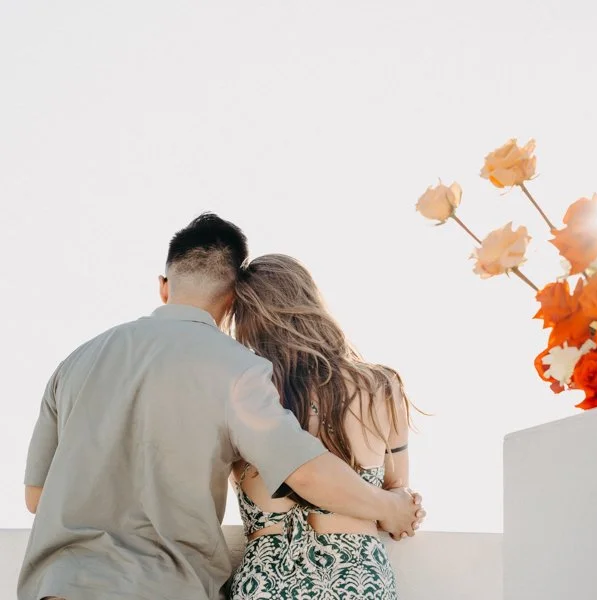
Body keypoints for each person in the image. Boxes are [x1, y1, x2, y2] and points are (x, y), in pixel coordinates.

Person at [19, 214, 425, 600]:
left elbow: (37, 497)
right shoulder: (238, 370)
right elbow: (304, 472)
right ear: (232, 299)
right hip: (167, 586)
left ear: (164, 286)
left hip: (62, 586)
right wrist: (391, 507)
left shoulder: (76, 362)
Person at [227, 254, 414, 599]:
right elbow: (397, 507)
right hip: (359, 577)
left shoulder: (241, 397)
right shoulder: (379, 386)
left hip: (267, 580)